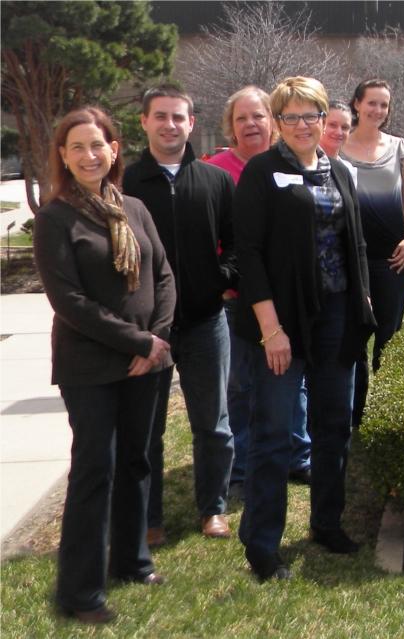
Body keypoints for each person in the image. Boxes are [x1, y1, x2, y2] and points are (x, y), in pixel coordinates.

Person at [34, 107, 176, 623]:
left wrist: (156, 341)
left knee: (137, 461)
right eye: (77, 147)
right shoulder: (55, 219)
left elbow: (163, 276)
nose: (89, 155)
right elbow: (69, 301)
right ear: (63, 156)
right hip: (90, 366)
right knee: (96, 470)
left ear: (114, 149)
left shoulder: (133, 208)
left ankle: (132, 562)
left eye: (97, 144)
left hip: (146, 362)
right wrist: (136, 342)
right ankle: (80, 593)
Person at [233, 77, 375, 581]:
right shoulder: (261, 172)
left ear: (323, 118)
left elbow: (355, 243)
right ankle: (261, 545)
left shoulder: (338, 170)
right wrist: (271, 329)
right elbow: (248, 254)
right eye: (289, 116)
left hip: (336, 316)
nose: (300, 125)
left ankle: (326, 522)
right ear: (277, 121)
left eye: (309, 115)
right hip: (283, 320)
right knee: (273, 434)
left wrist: (362, 300)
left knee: (333, 426)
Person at [124, 85, 236, 545]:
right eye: (160, 116)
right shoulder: (126, 184)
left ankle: (213, 509)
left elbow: (238, 243)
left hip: (206, 321)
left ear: (192, 123)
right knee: (146, 428)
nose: (169, 125)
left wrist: (221, 280)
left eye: (178, 117)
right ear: (145, 122)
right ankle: (150, 518)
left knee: (213, 424)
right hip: (149, 330)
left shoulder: (215, 181)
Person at [205, 86, 312, 496]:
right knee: (240, 384)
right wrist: (223, 284)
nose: (251, 124)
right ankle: (242, 467)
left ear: (274, 121)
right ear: (231, 127)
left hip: (286, 298)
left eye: (258, 116)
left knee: (292, 379)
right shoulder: (216, 170)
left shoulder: (294, 163)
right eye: (241, 118)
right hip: (236, 300)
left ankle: (298, 455)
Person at [341, 79, 404, 427]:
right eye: (371, 103)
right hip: (351, 262)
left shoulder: (400, 148)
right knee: (353, 340)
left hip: (393, 262)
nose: (378, 110)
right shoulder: (337, 147)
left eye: (384, 104)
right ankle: (353, 416)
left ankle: (384, 420)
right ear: (357, 104)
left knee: (388, 339)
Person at [320, 102, 356, 177]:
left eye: (345, 127)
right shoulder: (304, 164)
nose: (339, 132)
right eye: (333, 125)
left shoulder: (348, 170)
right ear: (321, 124)